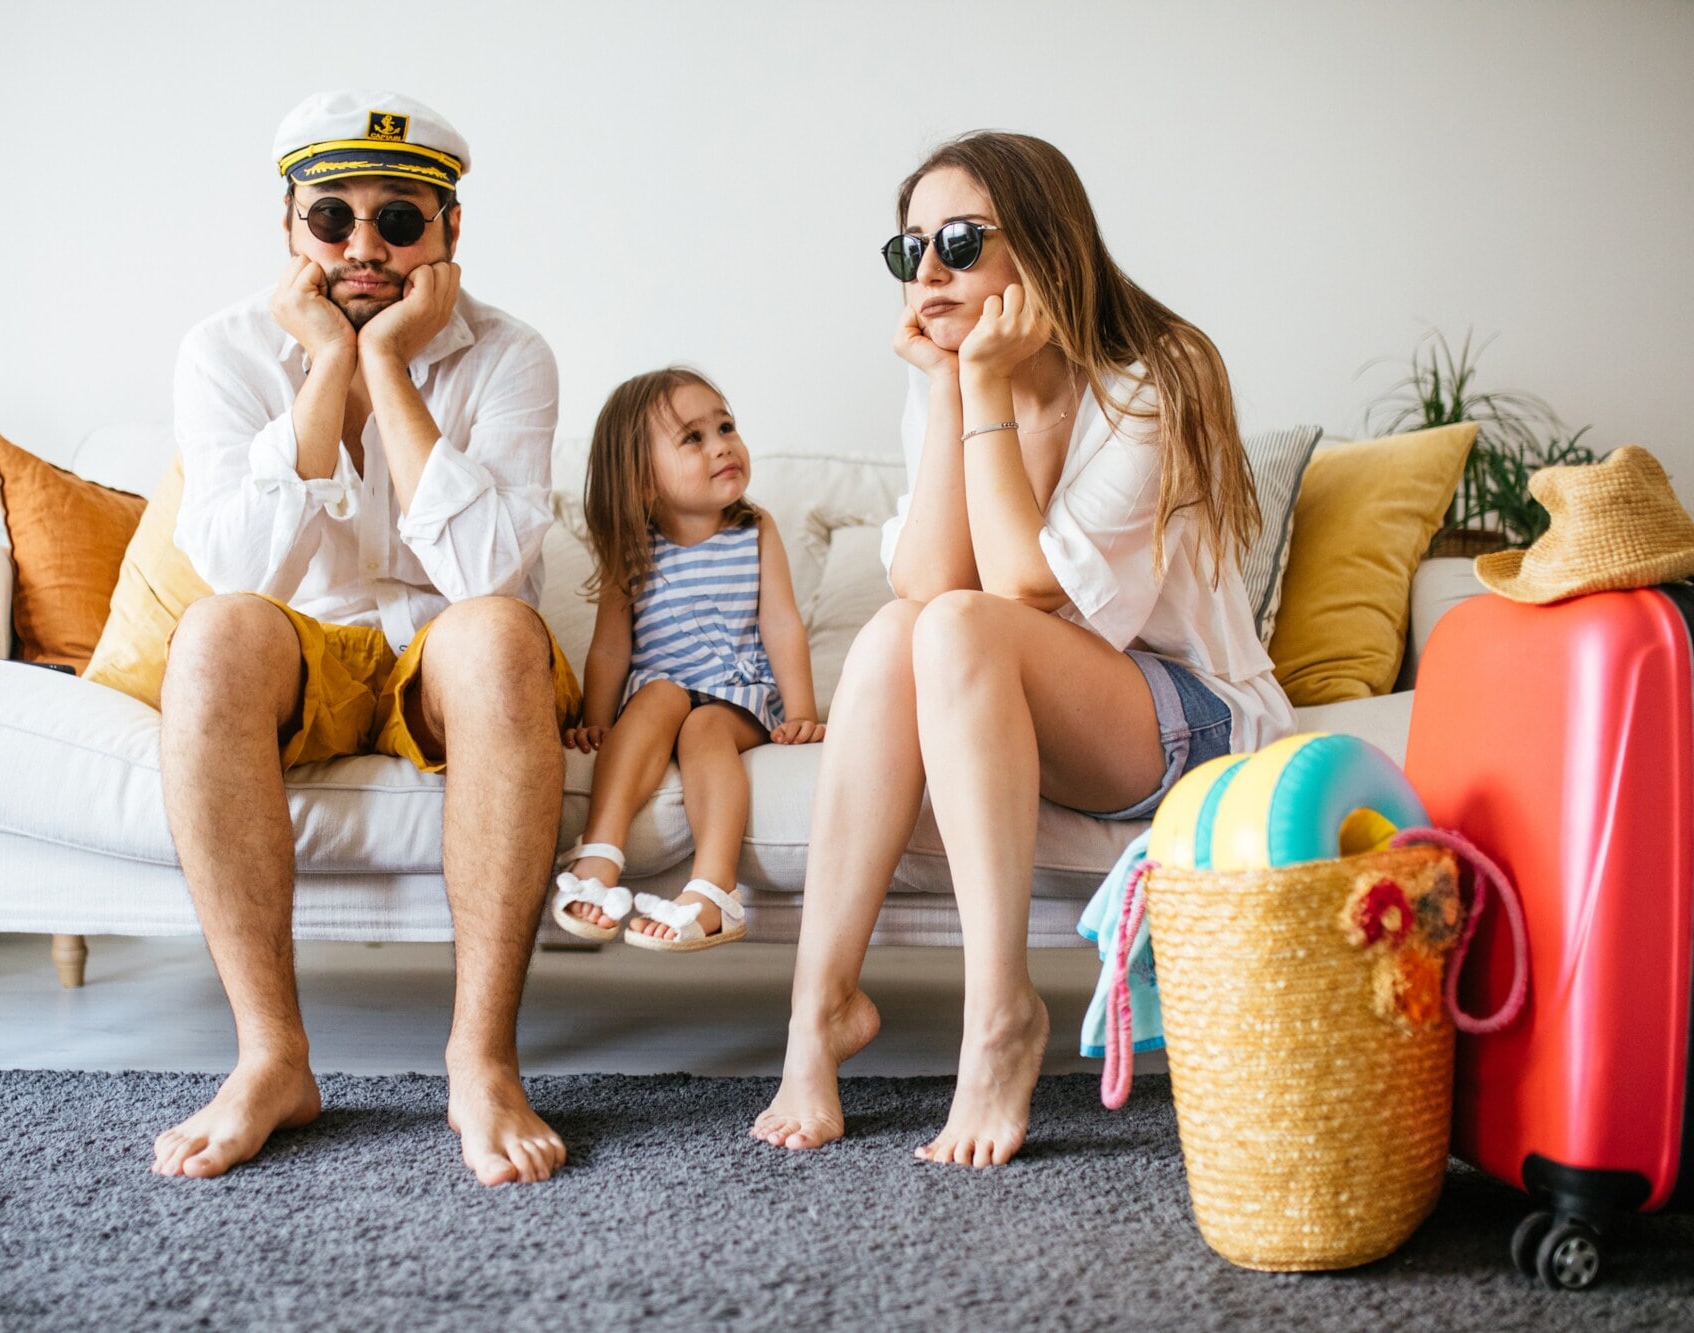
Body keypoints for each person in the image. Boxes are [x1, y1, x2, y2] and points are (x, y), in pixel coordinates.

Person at [752, 132, 1294, 1167]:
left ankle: (999, 1015)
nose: (926, 273)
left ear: (1043, 247)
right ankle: (814, 1010)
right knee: (893, 629)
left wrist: (985, 387)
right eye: (906, 249)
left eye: (957, 242)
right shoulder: (951, 376)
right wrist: (954, 388)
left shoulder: (1154, 376)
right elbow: (922, 583)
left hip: (1194, 718)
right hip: (1039, 701)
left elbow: (1019, 590)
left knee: (956, 622)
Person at [147, 90, 576, 1185]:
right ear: (289, 230)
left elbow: (486, 577)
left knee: (492, 633)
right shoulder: (225, 351)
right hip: (311, 650)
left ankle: (481, 1061)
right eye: (331, 218)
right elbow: (243, 576)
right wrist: (325, 366)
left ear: (449, 232)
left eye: (398, 219)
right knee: (213, 634)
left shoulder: (511, 355)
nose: (363, 245)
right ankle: (270, 1059)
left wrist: (388, 366)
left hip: (450, 658)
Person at [552, 369, 825, 950]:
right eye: (693, 438)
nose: (723, 443)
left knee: (703, 725)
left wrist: (800, 707)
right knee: (659, 696)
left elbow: (780, 623)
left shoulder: (754, 528)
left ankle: (712, 891)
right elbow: (610, 646)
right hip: (660, 689)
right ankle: (600, 852)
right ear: (641, 480)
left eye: (725, 426)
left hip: (737, 694)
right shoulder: (632, 546)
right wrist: (595, 719)